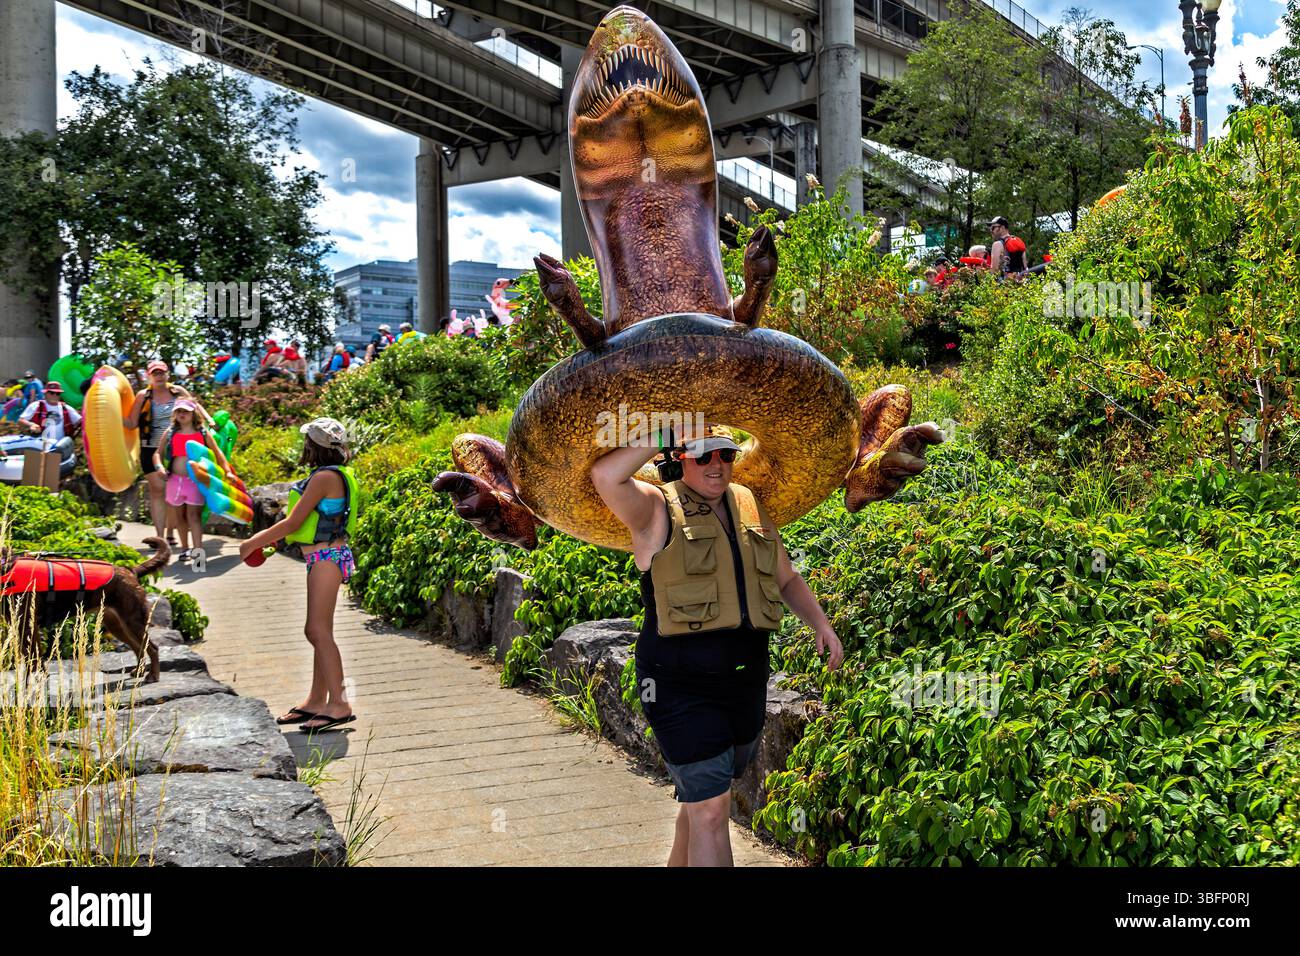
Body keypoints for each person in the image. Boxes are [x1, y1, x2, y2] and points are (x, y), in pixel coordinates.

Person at [589, 423, 859, 867]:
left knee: (703, 802)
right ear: (678, 459)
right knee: (714, 811)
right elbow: (606, 477)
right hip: (677, 687)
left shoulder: (750, 505)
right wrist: (665, 432)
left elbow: (785, 576)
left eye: (726, 455)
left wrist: (820, 624)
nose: (717, 466)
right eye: (703, 455)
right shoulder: (654, 508)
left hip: (744, 684)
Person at [239, 417, 359, 734]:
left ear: (313, 447)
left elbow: (293, 522)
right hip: (325, 556)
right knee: (320, 632)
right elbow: (308, 523)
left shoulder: (324, 478)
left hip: (326, 557)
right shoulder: (334, 475)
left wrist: (253, 541)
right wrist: (278, 540)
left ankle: (340, 704)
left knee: (317, 632)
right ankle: (317, 699)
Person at [125, 360, 203, 544]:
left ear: (168, 374)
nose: (159, 376)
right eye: (155, 373)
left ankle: (170, 530)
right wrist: (110, 415)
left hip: (176, 450)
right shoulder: (143, 396)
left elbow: (197, 413)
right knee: (158, 490)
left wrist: (209, 428)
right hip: (150, 448)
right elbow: (132, 423)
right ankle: (160, 537)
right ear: (149, 376)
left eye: (162, 373)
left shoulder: (179, 393)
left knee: (172, 495)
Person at [152, 399, 207, 563]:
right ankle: (184, 548)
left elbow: (217, 453)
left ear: (193, 413)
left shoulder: (202, 432)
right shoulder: (171, 432)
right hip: (174, 481)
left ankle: (198, 552)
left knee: (194, 516)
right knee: (179, 517)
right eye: (179, 411)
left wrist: (226, 470)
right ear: (175, 414)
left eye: (186, 411)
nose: (182, 414)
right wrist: (159, 466)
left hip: (195, 480)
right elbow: (157, 453)